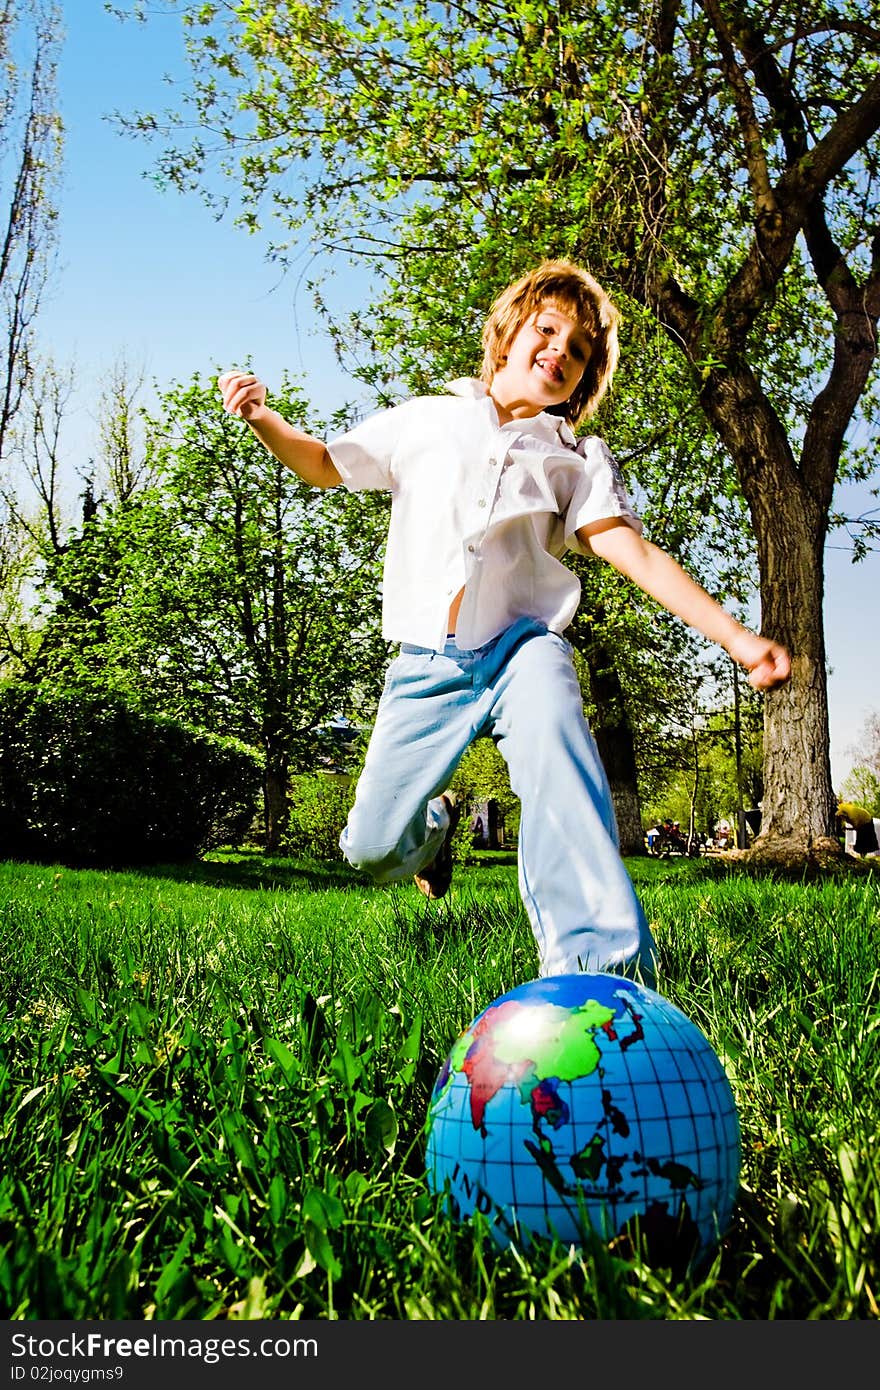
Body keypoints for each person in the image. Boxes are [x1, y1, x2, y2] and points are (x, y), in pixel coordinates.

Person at [218, 259, 791, 989]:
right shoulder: (428, 418)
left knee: (560, 762)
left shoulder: (576, 457)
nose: (561, 348)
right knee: (370, 847)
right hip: (429, 662)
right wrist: (264, 418)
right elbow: (326, 464)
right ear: (506, 335)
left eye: (579, 349)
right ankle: (434, 836)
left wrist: (737, 638)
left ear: (582, 381)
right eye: (548, 329)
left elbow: (633, 552)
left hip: (525, 650)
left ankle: (600, 969)